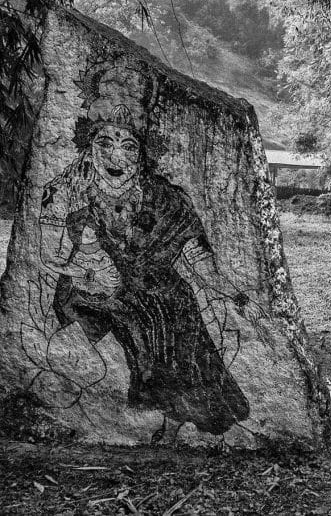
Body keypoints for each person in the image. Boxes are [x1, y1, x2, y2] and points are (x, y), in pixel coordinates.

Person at [37, 61, 252, 436]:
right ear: (90, 144)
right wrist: (88, 271)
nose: (116, 157)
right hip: (92, 286)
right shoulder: (65, 190)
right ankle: (145, 408)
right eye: (105, 142)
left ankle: (177, 418)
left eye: (128, 146)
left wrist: (232, 292)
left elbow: (196, 257)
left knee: (178, 303)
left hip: (156, 289)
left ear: (142, 153)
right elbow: (47, 255)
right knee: (143, 315)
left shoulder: (166, 198)